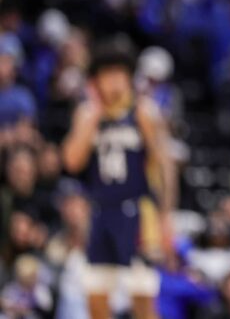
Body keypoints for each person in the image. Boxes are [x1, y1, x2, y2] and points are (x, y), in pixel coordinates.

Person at [61, 41, 177, 319]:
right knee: (96, 298)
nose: (113, 82)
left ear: (129, 77)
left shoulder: (143, 113)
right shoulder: (87, 114)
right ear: (95, 80)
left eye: (119, 74)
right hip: (101, 212)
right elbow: (71, 161)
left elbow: (164, 166)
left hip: (138, 212)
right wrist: (92, 118)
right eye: (106, 75)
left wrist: (166, 216)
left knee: (142, 299)